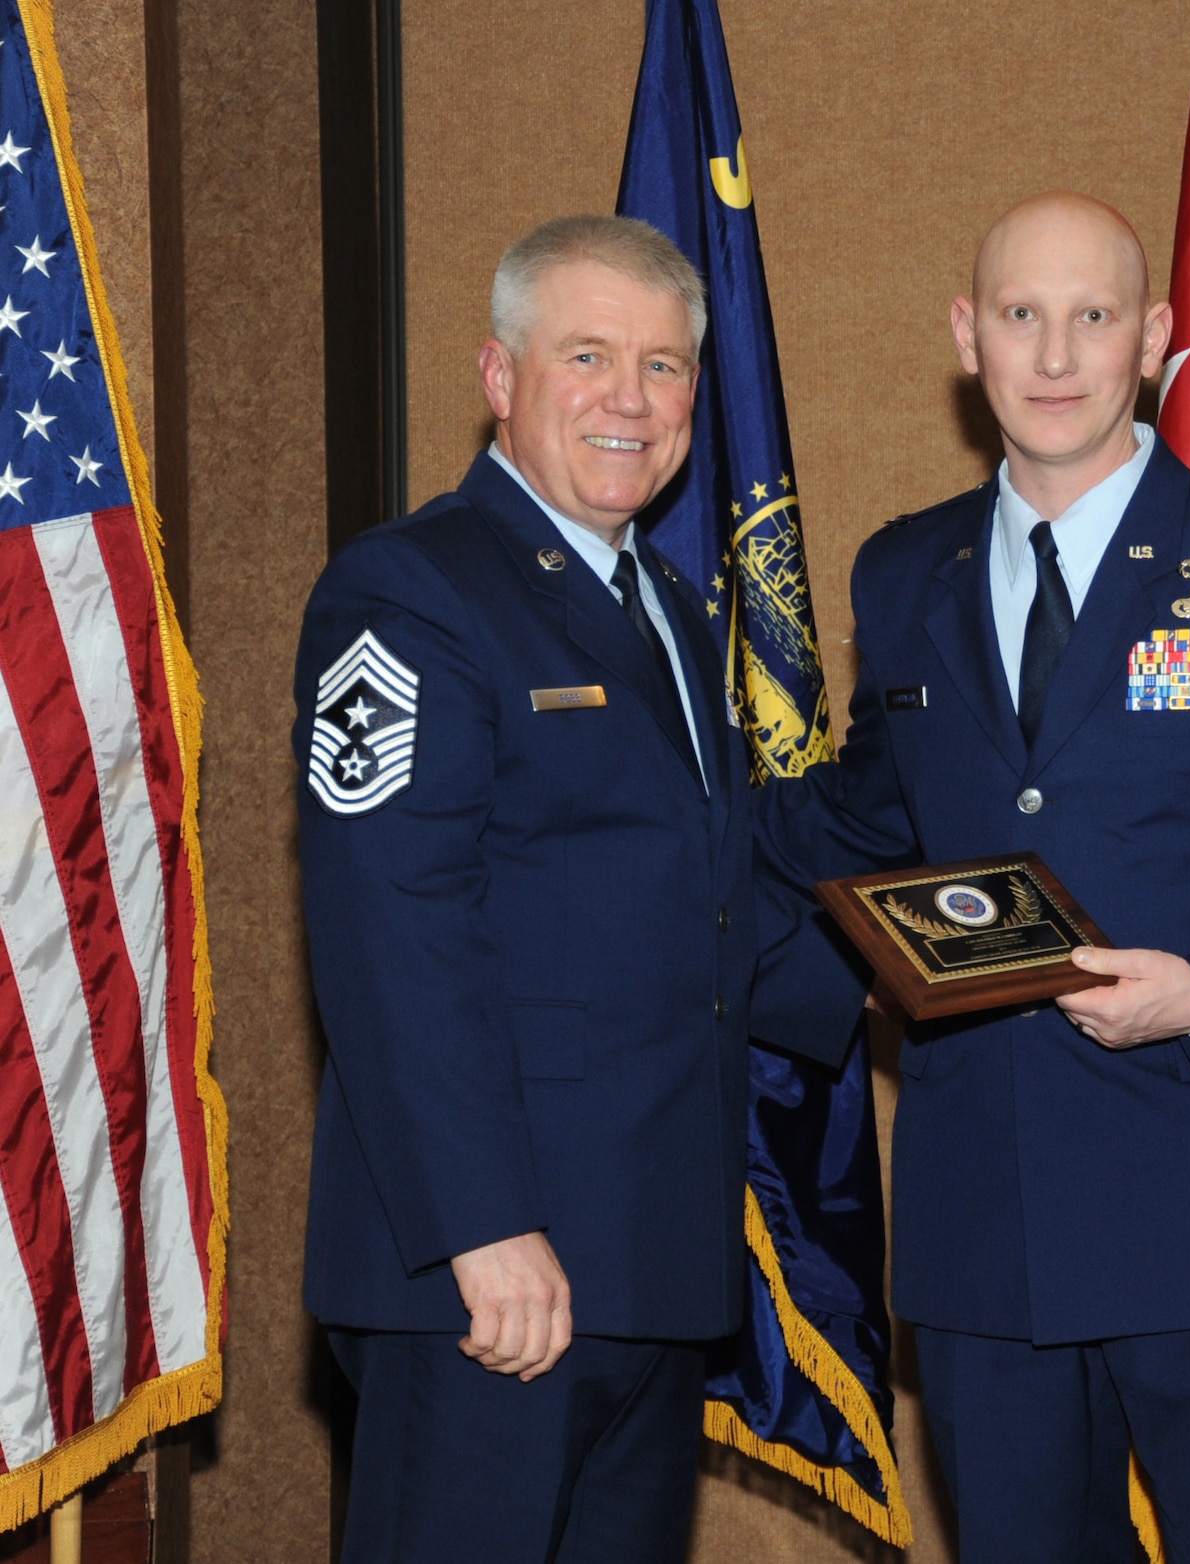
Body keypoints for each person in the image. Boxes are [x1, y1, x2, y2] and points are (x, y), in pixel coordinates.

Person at [762, 192, 1190, 1563]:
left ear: (1156, 337)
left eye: (1094, 317)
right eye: (1022, 315)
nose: (1057, 354)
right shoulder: (903, 570)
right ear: (968, 336)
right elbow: (862, 828)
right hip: (987, 1225)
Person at [292, 215, 860, 1564]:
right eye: (589, 356)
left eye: (665, 368)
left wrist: (966, 973)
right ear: (501, 376)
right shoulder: (413, 592)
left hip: (645, 1260)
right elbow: (393, 934)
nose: (631, 399)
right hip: (490, 1273)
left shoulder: (668, 603)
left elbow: (708, 899)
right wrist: (484, 1227)